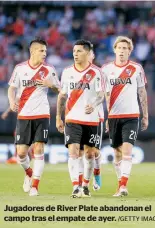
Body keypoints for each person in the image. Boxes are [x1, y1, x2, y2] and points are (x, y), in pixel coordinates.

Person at [7, 37, 60, 196]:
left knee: (39, 148)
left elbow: (60, 89)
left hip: (42, 114)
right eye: (41, 50)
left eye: (45, 51)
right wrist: (11, 101)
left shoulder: (49, 69)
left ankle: (35, 186)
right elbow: (11, 89)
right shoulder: (20, 68)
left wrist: (51, 85)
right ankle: (29, 173)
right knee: (21, 153)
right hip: (24, 114)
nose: (44, 53)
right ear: (33, 51)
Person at [56, 39, 104, 198]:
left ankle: (85, 185)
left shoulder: (97, 73)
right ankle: (75, 186)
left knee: (90, 154)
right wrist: (58, 117)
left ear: (88, 53)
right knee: (73, 151)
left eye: (79, 51)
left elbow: (101, 94)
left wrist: (94, 104)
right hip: (72, 118)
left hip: (91, 119)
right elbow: (62, 96)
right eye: (74, 51)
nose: (75, 54)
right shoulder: (67, 72)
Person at [102, 36, 148, 197]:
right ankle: (119, 184)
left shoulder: (136, 68)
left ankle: (123, 186)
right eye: (119, 48)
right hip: (114, 116)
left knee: (127, 151)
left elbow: (142, 92)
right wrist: (107, 116)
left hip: (131, 115)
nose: (122, 51)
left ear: (130, 51)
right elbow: (106, 94)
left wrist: (145, 115)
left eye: (125, 48)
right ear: (114, 49)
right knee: (117, 153)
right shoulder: (106, 70)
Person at [76, 49, 104, 192]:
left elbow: (103, 95)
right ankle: (82, 184)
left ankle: (97, 171)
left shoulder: (99, 73)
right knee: (80, 152)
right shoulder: (75, 73)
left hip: (96, 116)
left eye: (91, 54)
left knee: (93, 152)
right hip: (77, 117)